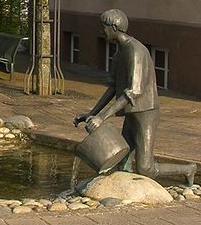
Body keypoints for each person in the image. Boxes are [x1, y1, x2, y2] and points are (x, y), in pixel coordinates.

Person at [73, 9, 196, 186]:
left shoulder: (135, 51)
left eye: (104, 27)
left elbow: (133, 92)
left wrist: (102, 117)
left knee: (145, 167)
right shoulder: (118, 54)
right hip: (131, 112)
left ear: (114, 27)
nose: (102, 31)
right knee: (122, 160)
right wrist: (91, 113)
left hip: (145, 113)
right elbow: (113, 88)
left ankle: (188, 169)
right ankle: (128, 191)